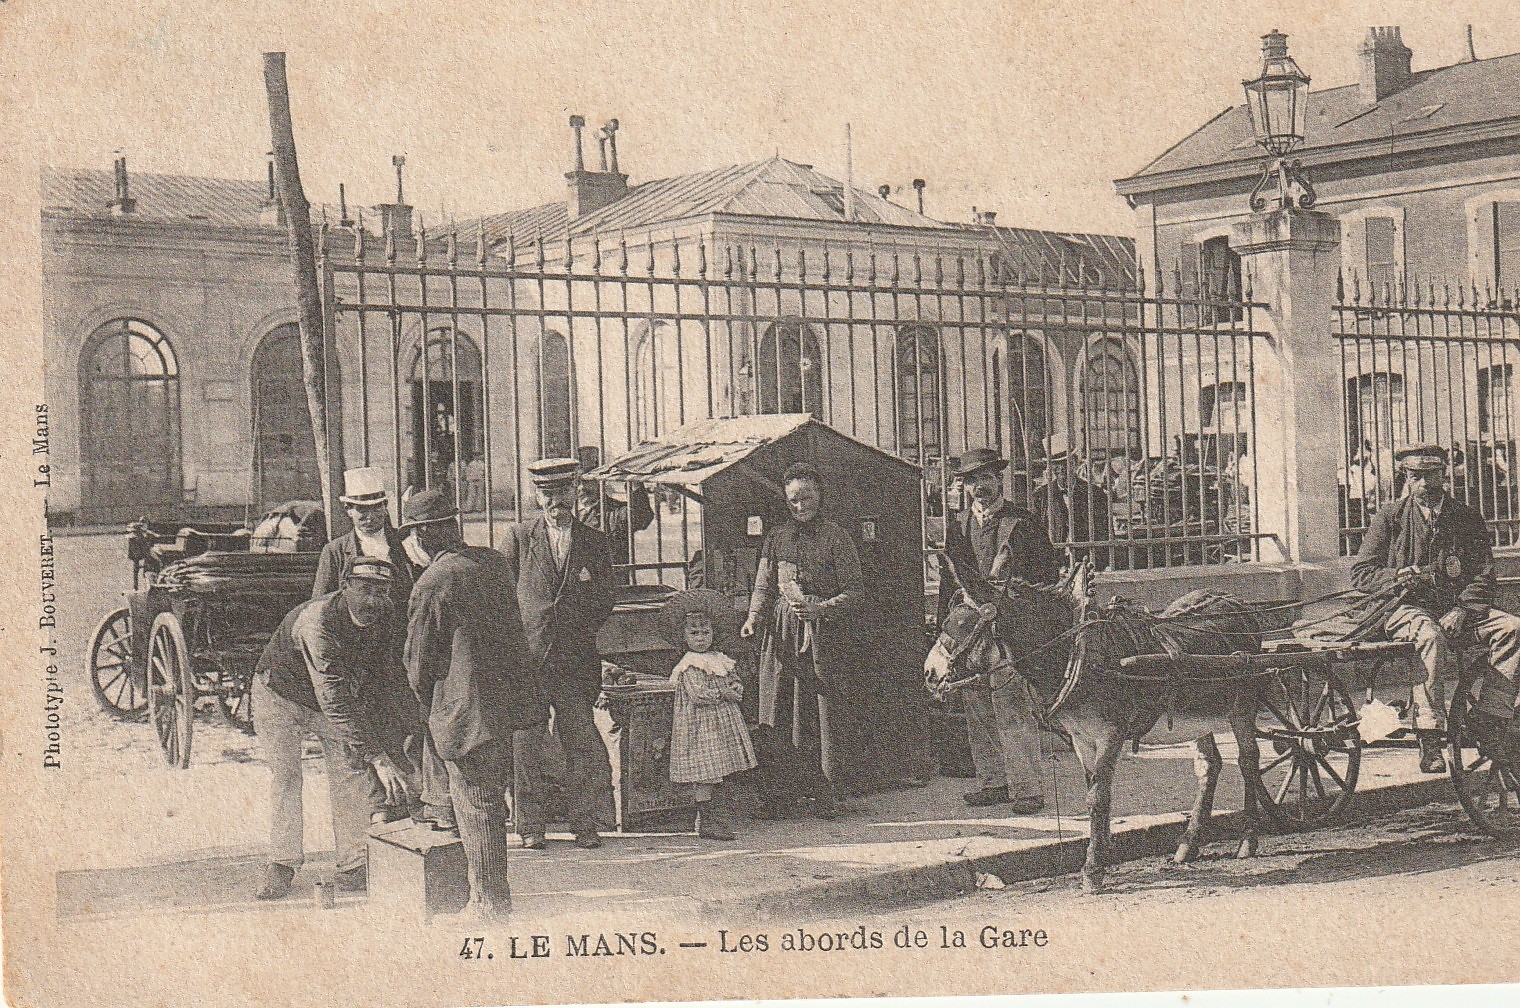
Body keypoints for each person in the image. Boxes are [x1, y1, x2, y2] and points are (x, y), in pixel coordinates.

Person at [401, 488, 544, 923]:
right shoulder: (491, 563)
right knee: (488, 800)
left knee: (476, 803)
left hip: (466, 712)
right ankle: (488, 897)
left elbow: (418, 661)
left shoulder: (434, 581)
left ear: (424, 534)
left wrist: (421, 699)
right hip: (505, 703)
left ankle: (488, 904)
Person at [251, 557, 418, 900]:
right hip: (281, 695)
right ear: (345, 587)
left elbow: (386, 677)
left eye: (381, 591)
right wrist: (380, 758)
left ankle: (354, 861)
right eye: (365, 590)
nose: (373, 601)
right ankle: (282, 863)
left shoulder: (385, 616)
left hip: (329, 698)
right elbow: (335, 700)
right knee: (286, 775)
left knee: (349, 771)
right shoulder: (318, 622)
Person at [1351, 444, 1520, 773]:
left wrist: (1462, 608)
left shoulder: (1466, 518)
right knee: (1430, 638)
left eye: (1431, 476)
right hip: (1405, 609)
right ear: (1407, 479)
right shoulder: (1390, 518)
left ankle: (1490, 716)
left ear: (1445, 477)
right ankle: (1430, 736)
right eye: (1416, 477)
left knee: (1514, 628)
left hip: (1459, 610)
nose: (1424, 484)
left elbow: (1485, 574)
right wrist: (1397, 576)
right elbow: (1361, 574)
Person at [311, 466, 455, 831]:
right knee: (369, 728)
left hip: (400, 651)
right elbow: (323, 606)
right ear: (348, 511)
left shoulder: (406, 546)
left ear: (386, 507)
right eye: (360, 509)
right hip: (360, 655)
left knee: (412, 725)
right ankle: (382, 809)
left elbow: (425, 590)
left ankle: (426, 802)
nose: (368, 515)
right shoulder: (336, 552)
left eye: (375, 507)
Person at [502, 458, 618, 850]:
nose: (557, 503)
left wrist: (576, 628)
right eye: (548, 495)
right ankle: (530, 826)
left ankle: (584, 823)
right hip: (528, 661)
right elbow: (501, 595)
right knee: (526, 745)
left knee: (580, 740)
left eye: (563, 494)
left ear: (575, 493)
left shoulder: (595, 541)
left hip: (574, 662)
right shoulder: (518, 538)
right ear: (537, 496)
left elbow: (606, 598)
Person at [938, 447, 1058, 814]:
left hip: (1011, 629)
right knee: (976, 703)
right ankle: (993, 781)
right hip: (971, 629)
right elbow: (949, 579)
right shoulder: (958, 526)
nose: (979, 488)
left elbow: (1047, 576)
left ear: (999, 480)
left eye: (985, 478)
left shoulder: (1022, 522)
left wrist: (1014, 602)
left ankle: (1027, 788)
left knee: (1011, 705)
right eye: (971, 481)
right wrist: (946, 623)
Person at [740, 463, 868, 803]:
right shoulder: (776, 538)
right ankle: (782, 794)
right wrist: (754, 618)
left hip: (823, 638)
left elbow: (856, 592)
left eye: (806, 498)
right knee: (778, 708)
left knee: (821, 713)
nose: (800, 506)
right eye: (793, 500)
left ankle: (827, 793)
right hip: (781, 635)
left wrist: (821, 608)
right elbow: (763, 586)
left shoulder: (837, 538)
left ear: (820, 496)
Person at [661, 588, 757, 841]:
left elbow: (734, 680)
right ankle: (706, 821)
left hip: (723, 725)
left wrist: (735, 687)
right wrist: (725, 693)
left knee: (721, 771)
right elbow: (698, 694)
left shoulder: (719, 659)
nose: (701, 638)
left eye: (706, 632)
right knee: (706, 774)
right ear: (684, 636)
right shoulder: (690, 663)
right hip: (700, 726)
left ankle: (717, 819)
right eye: (694, 633)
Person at [1039, 434, 1112, 569]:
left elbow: (1104, 533)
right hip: (1054, 564)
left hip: (1087, 562)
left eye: (1064, 462)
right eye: (1055, 464)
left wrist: (1099, 564)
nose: (1060, 468)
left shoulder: (1095, 494)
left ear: (1075, 463)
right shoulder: (1041, 495)